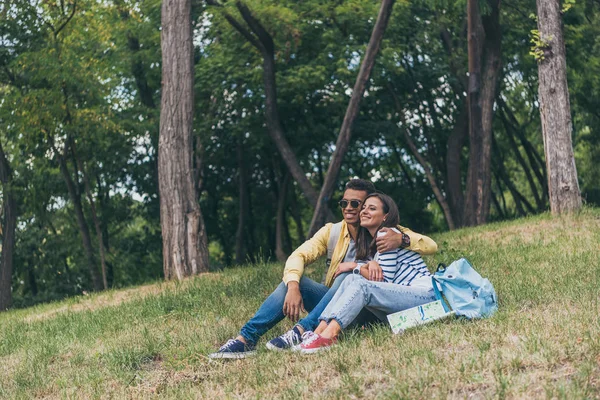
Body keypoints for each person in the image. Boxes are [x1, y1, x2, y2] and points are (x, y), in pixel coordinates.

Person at [209, 180, 437, 359]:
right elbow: (298, 255)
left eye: (357, 204)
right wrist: (293, 286)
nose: (349, 209)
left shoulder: (388, 233)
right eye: (344, 203)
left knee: (349, 274)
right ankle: (244, 340)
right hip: (336, 303)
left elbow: (430, 245)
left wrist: (402, 240)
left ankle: (302, 331)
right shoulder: (333, 232)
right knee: (295, 282)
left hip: (369, 308)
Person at [298, 192, 437, 353]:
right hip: (406, 302)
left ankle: (329, 336)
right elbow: (377, 281)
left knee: (361, 285)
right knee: (350, 280)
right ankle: (318, 333)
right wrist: (358, 267)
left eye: (372, 208)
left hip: (426, 297)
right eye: (363, 208)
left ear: (385, 216)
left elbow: (381, 285)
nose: (364, 211)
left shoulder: (387, 235)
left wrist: (353, 267)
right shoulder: (375, 245)